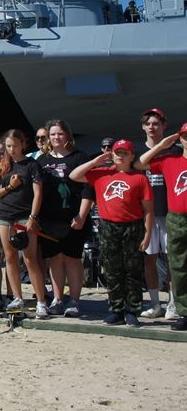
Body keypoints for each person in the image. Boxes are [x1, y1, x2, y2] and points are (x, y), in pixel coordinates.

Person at [70, 140, 153, 326]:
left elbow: (148, 209)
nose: (120, 156)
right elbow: (74, 175)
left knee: (132, 270)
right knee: (112, 270)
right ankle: (116, 309)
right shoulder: (101, 174)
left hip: (133, 226)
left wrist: (147, 235)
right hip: (108, 226)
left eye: (125, 152)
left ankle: (132, 310)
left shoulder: (139, 178)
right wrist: (95, 162)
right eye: (117, 152)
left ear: (132, 156)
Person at [0, 130, 49, 319]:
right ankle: (17, 297)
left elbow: (38, 192)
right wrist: (10, 187)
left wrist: (33, 217)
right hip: (5, 215)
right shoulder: (3, 165)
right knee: (9, 257)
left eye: (14, 145)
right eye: (8, 146)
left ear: (23, 144)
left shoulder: (32, 165)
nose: (11, 149)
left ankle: (41, 301)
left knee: (30, 258)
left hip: (24, 216)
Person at [37, 119, 93, 317]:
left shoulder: (79, 158)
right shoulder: (42, 161)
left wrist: (82, 215)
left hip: (73, 216)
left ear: (67, 135)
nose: (56, 137)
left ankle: (75, 300)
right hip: (50, 219)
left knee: (72, 258)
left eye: (60, 133)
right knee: (54, 259)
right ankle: (58, 298)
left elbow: (89, 188)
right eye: (52, 134)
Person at [138, 123, 187, 330]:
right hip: (176, 218)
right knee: (179, 267)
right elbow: (140, 164)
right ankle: (184, 311)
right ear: (180, 138)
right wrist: (161, 146)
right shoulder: (169, 160)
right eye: (185, 136)